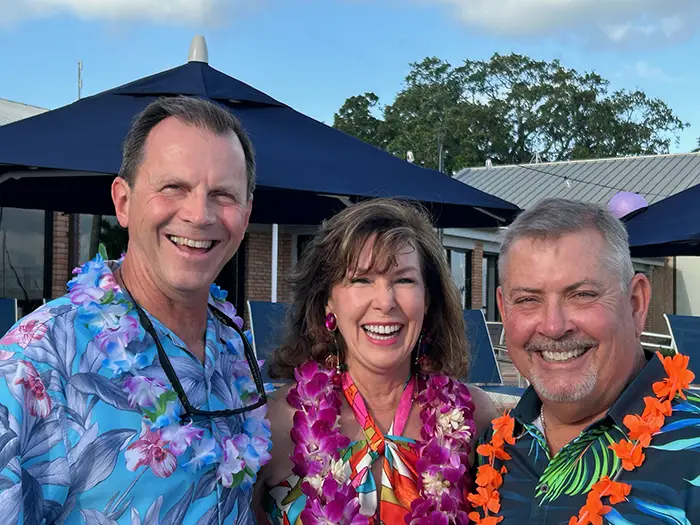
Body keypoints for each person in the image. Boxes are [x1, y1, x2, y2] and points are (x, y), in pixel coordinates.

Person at [0, 96, 271, 523]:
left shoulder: (234, 348)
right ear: (123, 202)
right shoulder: (36, 365)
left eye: (222, 194)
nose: (199, 214)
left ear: (247, 213)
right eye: (173, 188)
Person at [252, 197, 498, 525]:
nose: (385, 301)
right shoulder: (274, 424)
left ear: (428, 300)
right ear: (328, 301)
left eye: (404, 280)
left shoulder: (474, 418)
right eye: (361, 279)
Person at [468, 198, 699, 525]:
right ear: (504, 311)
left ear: (635, 304)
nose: (553, 326)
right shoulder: (490, 452)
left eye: (582, 295)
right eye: (528, 300)